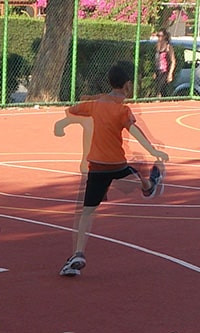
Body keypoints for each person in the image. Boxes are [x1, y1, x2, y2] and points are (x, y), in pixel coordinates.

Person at [53, 61, 168, 278]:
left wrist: (93, 101)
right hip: (117, 165)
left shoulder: (96, 105)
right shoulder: (122, 110)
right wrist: (154, 150)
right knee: (134, 173)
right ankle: (149, 186)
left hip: (97, 166)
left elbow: (72, 109)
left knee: (87, 212)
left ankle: (78, 253)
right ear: (127, 85)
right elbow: (135, 131)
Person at [154, 30, 177, 97]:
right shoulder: (157, 46)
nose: (159, 38)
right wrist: (155, 71)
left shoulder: (168, 47)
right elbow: (156, 60)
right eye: (158, 36)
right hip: (158, 71)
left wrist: (170, 74)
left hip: (165, 71)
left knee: (159, 90)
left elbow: (173, 61)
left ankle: (158, 100)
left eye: (160, 36)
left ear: (164, 37)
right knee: (162, 91)